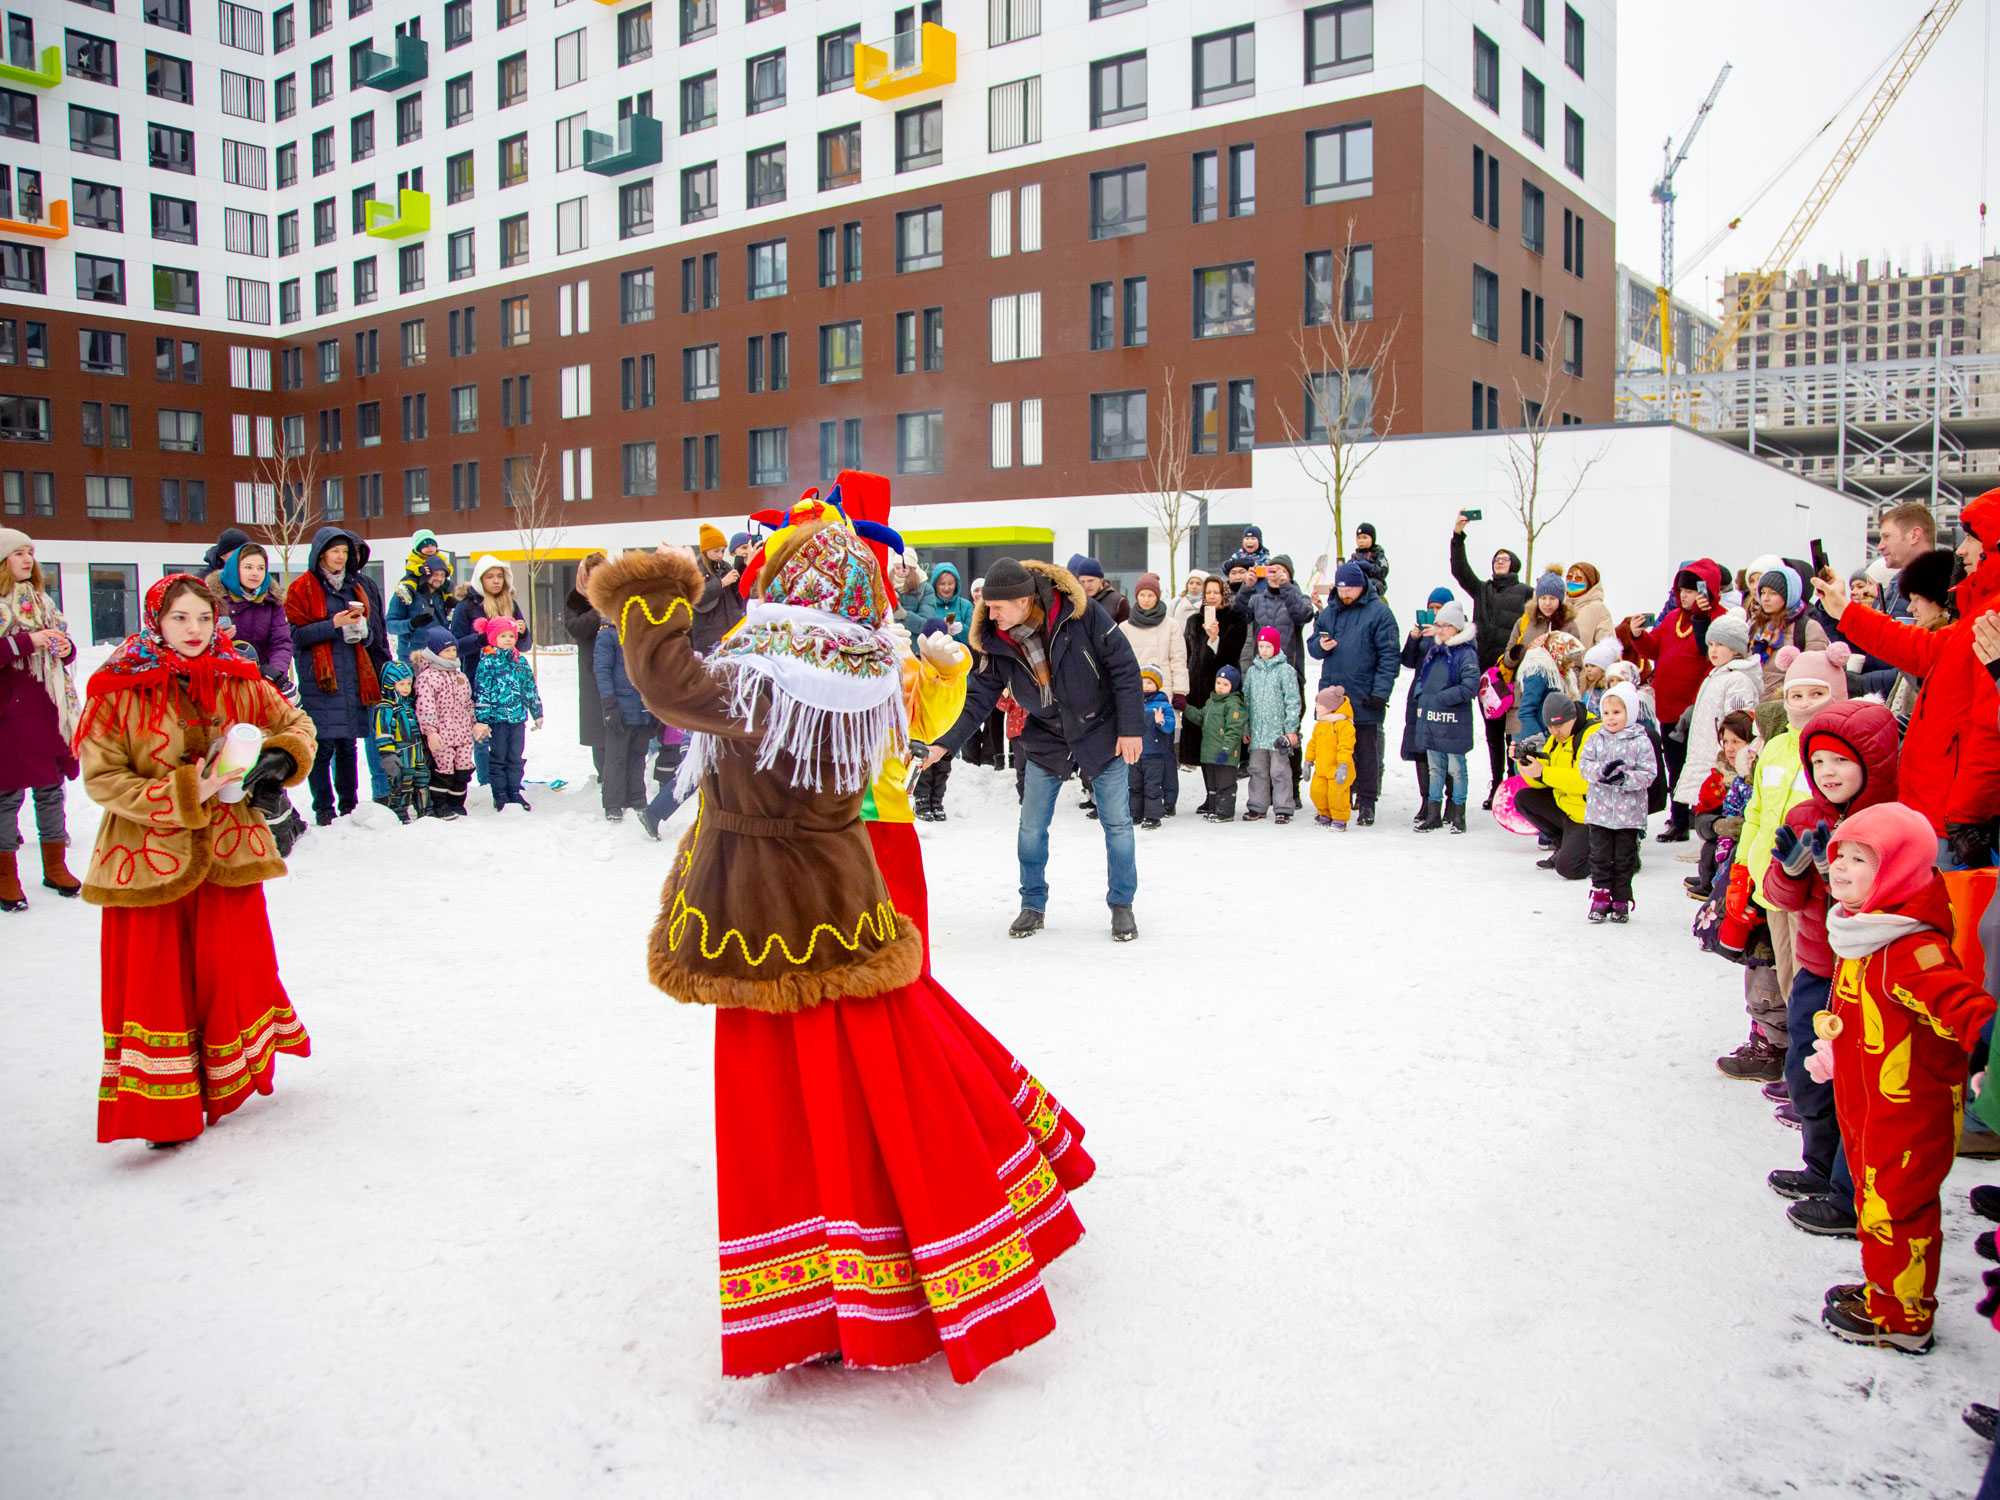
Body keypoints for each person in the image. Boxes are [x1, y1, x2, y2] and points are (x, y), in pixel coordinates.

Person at [585, 519, 1092, 1385]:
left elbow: (666, 684)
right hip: (842, 900)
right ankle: (911, 1249)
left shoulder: (773, 680)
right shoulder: (857, 669)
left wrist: (651, 588)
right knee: (873, 1089)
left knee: (788, 1106)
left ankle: (832, 1295)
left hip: (766, 911)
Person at [76, 573, 316, 1147]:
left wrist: (282, 760)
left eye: (205, 619)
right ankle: (164, 1108)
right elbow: (102, 777)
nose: (194, 630)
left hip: (228, 857)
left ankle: (226, 1084)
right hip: (147, 859)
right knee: (158, 986)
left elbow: (295, 723)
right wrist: (187, 792)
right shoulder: (116, 688)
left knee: (228, 974)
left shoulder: (239, 676)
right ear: (156, 620)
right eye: (181, 618)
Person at [1814, 802, 1997, 1354]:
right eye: (1839, 854)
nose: (1841, 868)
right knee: (1877, 1204)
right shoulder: (1866, 929)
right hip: (1869, 1106)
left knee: (1898, 1210)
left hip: (1908, 1114)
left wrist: (1988, 1047)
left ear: (1896, 871)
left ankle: (1903, 1317)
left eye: (1860, 859)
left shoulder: (1908, 947)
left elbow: (1961, 1001)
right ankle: (1885, 1289)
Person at [929, 556, 1144, 941]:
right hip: (1045, 733)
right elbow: (978, 698)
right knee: (1031, 826)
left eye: (996, 607)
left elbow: (1125, 668)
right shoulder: (997, 639)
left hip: (1100, 728)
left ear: (1023, 600)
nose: (990, 614)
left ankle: (1122, 905)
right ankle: (1032, 904)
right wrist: (943, 744)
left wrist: (1130, 728)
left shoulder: (1082, 614)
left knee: (1116, 824)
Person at [1762, 698, 1902, 1226]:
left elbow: (1895, 900)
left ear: (1873, 760)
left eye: (1841, 760)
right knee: (1808, 1073)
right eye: (1818, 762)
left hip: (1872, 974)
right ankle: (1821, 1167)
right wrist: (1795, 870)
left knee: (1857, 1084)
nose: (1828, 773)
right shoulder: (1804, 815)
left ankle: (1850, 1195)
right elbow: (1783, 897)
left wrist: (1836, 874)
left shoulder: (1894, 821)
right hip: (1819, 967)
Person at [1816, 488, 2000, 866]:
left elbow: (1990, 729)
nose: (1961, 551)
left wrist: (1965, 816)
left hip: (1951, 814)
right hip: (1935, 807)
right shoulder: (1981, 610)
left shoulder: (1992, 616)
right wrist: (1845, 610)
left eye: (1971, 539)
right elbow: (1923, 650)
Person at [284, 526, 388, 826]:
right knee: (323, 744)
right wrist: (333, 625)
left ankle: (349, 805)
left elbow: (370, 636)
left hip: (353, 674)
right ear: (320, 553)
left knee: (347, 744)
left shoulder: (354, 588)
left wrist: (364, 631)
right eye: (335, 551)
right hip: (320, 678)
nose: (341, 557)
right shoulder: (301, 587)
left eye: (345, 552)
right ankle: (324, 808)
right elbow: (294, 634)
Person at [1618, 558, 1727, 842]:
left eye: (1691, 590)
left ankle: (1702, 816)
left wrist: (1697, 702)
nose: (1685, 596)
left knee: (1702, 765)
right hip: (1668, 707)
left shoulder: (1718, 619)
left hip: (1695, 708)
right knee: (1675, 765)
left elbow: (1710, 663)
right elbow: (1655, 649)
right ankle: (1678, 820)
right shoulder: (1673, 618)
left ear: (1707, 591)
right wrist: (1638, 635)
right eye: (1682, 590)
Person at [0, 528, 81, 910]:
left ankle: (55, 866)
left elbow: (63, 648)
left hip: (47, 709)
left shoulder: (43, 602)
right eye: (18, 553)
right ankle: (5, 876)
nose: (28, 559)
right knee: (6, 796)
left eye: (30, 551)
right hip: (8, 715)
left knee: (51, 790)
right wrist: (25, 642)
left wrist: (65, 647)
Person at [1305, 560, 1400, 826]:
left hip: (1364, 694)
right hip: (1333, 698)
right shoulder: (1330, 612)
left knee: (1365, 753)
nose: (1345, 594)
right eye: (1342, 589)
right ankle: (1339, 798)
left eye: (1351, 590)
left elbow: (1390, 656)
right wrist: (1321, 645)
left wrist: (1381, 692)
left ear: (1362, 587)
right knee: (1332, 752)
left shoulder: (1379, 613)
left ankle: (1367, 801)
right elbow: (1312, 645)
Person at [1450, 517, 1533, 804]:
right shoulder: (1483, 589)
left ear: (1515, 565)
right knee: (1493, 733)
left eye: (1505, 558)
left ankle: (1516, 784)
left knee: (1516, 733)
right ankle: (1498, 784)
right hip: (1487, 676)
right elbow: (1460, 571)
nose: (1499, 561)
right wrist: (1458, 536)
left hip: (1513, 675)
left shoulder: (1526, 593)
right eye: (1496, 558)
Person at [1577, 682, 1658, 921]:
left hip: (1628, 815)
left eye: (1617, 712)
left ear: (1630, 713)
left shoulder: (1641, 741)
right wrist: (1602, 772)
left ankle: (1621, 898)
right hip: (1600, 812)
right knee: (1600, 856)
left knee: (1625, 857)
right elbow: (1584, 766)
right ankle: (1600, 896)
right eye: (1607, 713)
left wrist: (1625, 778)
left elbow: (1649, 773)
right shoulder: (1595, 738)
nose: (1611, 718)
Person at [450, 554, 532, 790]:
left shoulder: (511, 604)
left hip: (510, 681)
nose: (496, 581)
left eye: (499, 576)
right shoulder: (466, 606)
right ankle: (487, 781)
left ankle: (509, 781)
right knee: (483, 730)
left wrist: (523, 633)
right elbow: (455, 646)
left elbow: (525, 646)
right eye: (490, 577)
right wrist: (481, 639)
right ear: (480, 579)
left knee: (510, 732)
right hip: (479, 677)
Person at [1670, 614, 1761, 814]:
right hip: (1703, 754)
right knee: (1704, 809)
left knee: (1719, 812)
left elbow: (1739, 722)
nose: (1713, 650)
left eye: (1720, 644)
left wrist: (1732, 755)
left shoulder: (1737, 679)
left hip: (1720, 759)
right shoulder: (1716, 675)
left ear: (1735, 648)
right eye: (1710, 644)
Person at [1405, 601, 1480, 833]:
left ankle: (1458, 815)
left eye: (1445, 625)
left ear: (1457, 627)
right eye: (1438, 625)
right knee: (1435, 768)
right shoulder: (1435, 651)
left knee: (1457, 769)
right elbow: (1422, 678)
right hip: (1432, 720)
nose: (1440, 630)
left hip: (1454, 723)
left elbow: (1470, 687)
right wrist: (1423, 696)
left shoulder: (1466, 653)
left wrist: (1439, 698)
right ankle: (1433, 814)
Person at [1119, 573, 1189, 817]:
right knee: (1137, 751)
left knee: (1166, 751)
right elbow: (1120, 664)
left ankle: (1168, 799)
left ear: (1157, 597)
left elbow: (1178, 659)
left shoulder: (1170, 625)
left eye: (1151, 595)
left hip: (1163, 695)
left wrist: (1180, 692)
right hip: (1135, 696)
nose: (1146, 599)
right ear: (1136, 597)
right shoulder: (1125, 627)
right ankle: (1138, 800)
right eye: (1142, 595)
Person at [1516, 694, 1597, 879]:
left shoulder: (1592, 735)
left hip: (1588, 814)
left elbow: (1586, 781)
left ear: (1573, 717)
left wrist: (1544, 773)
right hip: (1566, 807)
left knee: (1569, 869)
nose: (1554, 731)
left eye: (1559, 726)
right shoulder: (1556, 738)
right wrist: (1529, 768)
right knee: (1524, 798)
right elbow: (1544, 781)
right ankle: (1563, 845)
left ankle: (1609, 858)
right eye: (1550, 727)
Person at [473, 616, 543, 812]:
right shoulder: (487, 661)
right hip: (497, 719)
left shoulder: (519, 660)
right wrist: (483, 720)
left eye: (511, 636)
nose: (508, 639)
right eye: (502, 636)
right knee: (498, 755)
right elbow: (482, 691)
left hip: (517, 718)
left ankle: (514, 789)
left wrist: (536, 712)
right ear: (493, 637)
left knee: (515, 755)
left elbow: (529, 687)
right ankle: (500, 792)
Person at [210, 542, 295, 694]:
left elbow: (281, 642)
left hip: (261, 682)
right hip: (221, 683)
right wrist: (216, 638)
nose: (255, 573)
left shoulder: (272, 602)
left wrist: (275, 671)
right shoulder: (213, 599)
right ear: (235, 569)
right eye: (248, 567)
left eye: (260, 568)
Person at [594, 616, 655, 822]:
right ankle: (613, 803)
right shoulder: (609, 633)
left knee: (638, 754)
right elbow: (602, 671)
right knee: (616, 757)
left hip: (643, 706)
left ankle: (636, 797)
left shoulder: (645, 631)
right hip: (619, 706)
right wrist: (609, 704)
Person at [1183, 574, 1247, 770]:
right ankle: (1209, 793)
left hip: (1223, 689)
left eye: (1216, 592)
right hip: (1198, 689)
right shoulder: (1194, 620)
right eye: (1208, 592)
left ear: (1224, 595)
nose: (1211, 596)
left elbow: (1232, 654)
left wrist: (1214, 639)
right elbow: (1188, 653)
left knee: (1222, 741)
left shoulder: (1236, 619)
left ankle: (1222, 794)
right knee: (1202, 746)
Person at [411, 625, 473, 820]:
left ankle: (456, 803)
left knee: (464, 769)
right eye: (447, 650)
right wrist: (430, 732)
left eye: (454, 649)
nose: (452, 653)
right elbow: (425, 707)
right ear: (435, 652)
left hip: (463, 732)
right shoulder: (427, 677)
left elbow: (468, 702)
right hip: (442, 734)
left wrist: (475, 722)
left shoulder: (460, 675)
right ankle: (440, 804)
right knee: (444, 770)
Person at [1242, 627, 1302, 824]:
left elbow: (1293, 701)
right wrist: (1246, 727)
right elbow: (1246, 700)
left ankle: (1283, 807)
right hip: (1258, 732)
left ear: (1276, 647)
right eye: (1261, 646)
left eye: (1268, 646)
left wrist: (1291, 729)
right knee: (1257, 769)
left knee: (1279, 771)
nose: (1264, 650)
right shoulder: (1252, 671)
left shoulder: (1285, 671)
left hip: (1277, 733)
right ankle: (1257, 805)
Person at [1748, 564, 1831, 700]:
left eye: (1773, 593)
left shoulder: (1807, 628)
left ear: (1789, 595)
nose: (1765, 598)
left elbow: (1815, 675)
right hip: (1755, 706)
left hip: (1786, 707)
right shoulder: (1757, 626)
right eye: (1762, 592)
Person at [1231, 554, 1316, 678]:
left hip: (1290, 672)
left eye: (1281, 572)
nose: (1275, 575)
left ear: (1290, 577)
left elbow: (1302, 616)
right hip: (1261, 672)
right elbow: (1237, 617)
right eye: (1272, 571)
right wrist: (1247, 587)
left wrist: (1285, 587)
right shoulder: (1256, 600)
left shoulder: (1301, 599)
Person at [1184, 665, 1249, 821]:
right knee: (1212, 784)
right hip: (1209, 751)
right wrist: (1185, 708)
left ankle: (1225, 812)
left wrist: (1226, 749)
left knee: (1225, 784)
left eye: (1225, 684)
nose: (1220, 687)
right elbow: (1200, 717)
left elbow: (1234, 731)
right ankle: (1214, 808)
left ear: (1232, 686)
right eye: (1218, 683)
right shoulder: (1211, 701)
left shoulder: (1234, 705)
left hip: (1224, 753)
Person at [564, 552, 608, 779]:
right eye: (593, 576)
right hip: (591, 666)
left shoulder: (618, 593)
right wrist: (598, 611)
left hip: (619, 666)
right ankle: (603, 774)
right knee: (596, 722)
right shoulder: (576, 598)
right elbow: (575, 629)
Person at [371, 661, 430, 822]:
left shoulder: (410, 704)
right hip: (399, 752)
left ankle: (425, 809)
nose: (406, 687)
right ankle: (399, 810)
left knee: (422, 778)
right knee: (401, 782)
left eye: (409, 683)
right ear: (390, 684)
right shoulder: (385, 707)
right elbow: (383, 732)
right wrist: (387, 753)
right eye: (401, 684)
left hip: (416, 750)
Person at [1513, 629, 1583, 745]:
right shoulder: (1539, 672)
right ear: (1557, 653)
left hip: (1554, 735)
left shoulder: (1557, 672)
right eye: (1568, 659)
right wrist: (1536, 739)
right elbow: (1526, 710)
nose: (1571, 665)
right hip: (1542, 737)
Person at [1130, 665, 1177, 829]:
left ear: (1158, 684)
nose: (1145, 685)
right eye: (1142, 681)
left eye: (1150, 682)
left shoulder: (1162, 705)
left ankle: (1153, 816)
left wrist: (1160, 722)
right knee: (1135, 786)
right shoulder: (1133, 703)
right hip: (1135, 753)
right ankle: (1135, 813)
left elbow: (1170, 726)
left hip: (1154, 755)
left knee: (1152, 786)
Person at [1304, 685, 1358, 829]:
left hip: (1337, 769)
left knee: (1337, 795)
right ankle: (1324, 814)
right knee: (1318, 792)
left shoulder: (1344, 725)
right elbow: (1313, 744)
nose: (1316, 707)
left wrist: (1343, 765)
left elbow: (1346, 747)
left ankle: (1340, 818)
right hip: (1321, 769)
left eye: (1320, 704)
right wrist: (1308, 761)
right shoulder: (1321, 725)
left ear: (1331, 707)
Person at [1874, 500, 1937, 620]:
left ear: (1914, 535)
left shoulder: (1946, 588)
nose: (1880, 546)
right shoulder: (1893, 586)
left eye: (1886, 536)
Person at [387, 554, 456, 664]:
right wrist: (412, 624)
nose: (439, 578)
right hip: (411, 659)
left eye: (442, 575)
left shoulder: (444, 596)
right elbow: (390, 626)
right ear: (426, 574)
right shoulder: (406, 593)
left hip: (439, 658)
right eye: (435, 574)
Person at [691, 524, 747, 653]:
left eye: (723, 551)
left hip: (731, 630)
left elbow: (739, 599)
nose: (720, 555)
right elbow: (696, 597)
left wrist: (740, 577)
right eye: (716, 551)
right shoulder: (696, 570)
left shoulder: (726, 566)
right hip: (709, 635)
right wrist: (721, 583)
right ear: (705, 550)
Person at [1067, 554, 1130, 626]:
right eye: (1083, 582)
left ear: (1101, 579)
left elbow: (1124, 634)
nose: (1087, 585)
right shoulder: (1075, 602)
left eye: (1091, 581)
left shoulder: (1119, 602)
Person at [1564, 562, 1615, 647]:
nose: (1572, 580)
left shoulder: (1599, 609)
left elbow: (1608, 648)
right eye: (1569, 577)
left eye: (1578, 578)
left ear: (1590, 583)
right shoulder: (1558, 605)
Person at [1351, 523, 1390, 593]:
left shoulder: (1377, 554)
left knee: (1372, 583)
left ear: (1372, 539)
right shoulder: (1354, 556)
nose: (1361, 541)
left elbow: (1383, 572)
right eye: (1359, 538)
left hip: (1375, 583)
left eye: (1365, 537)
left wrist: (1370, 567)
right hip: (1359, 583)